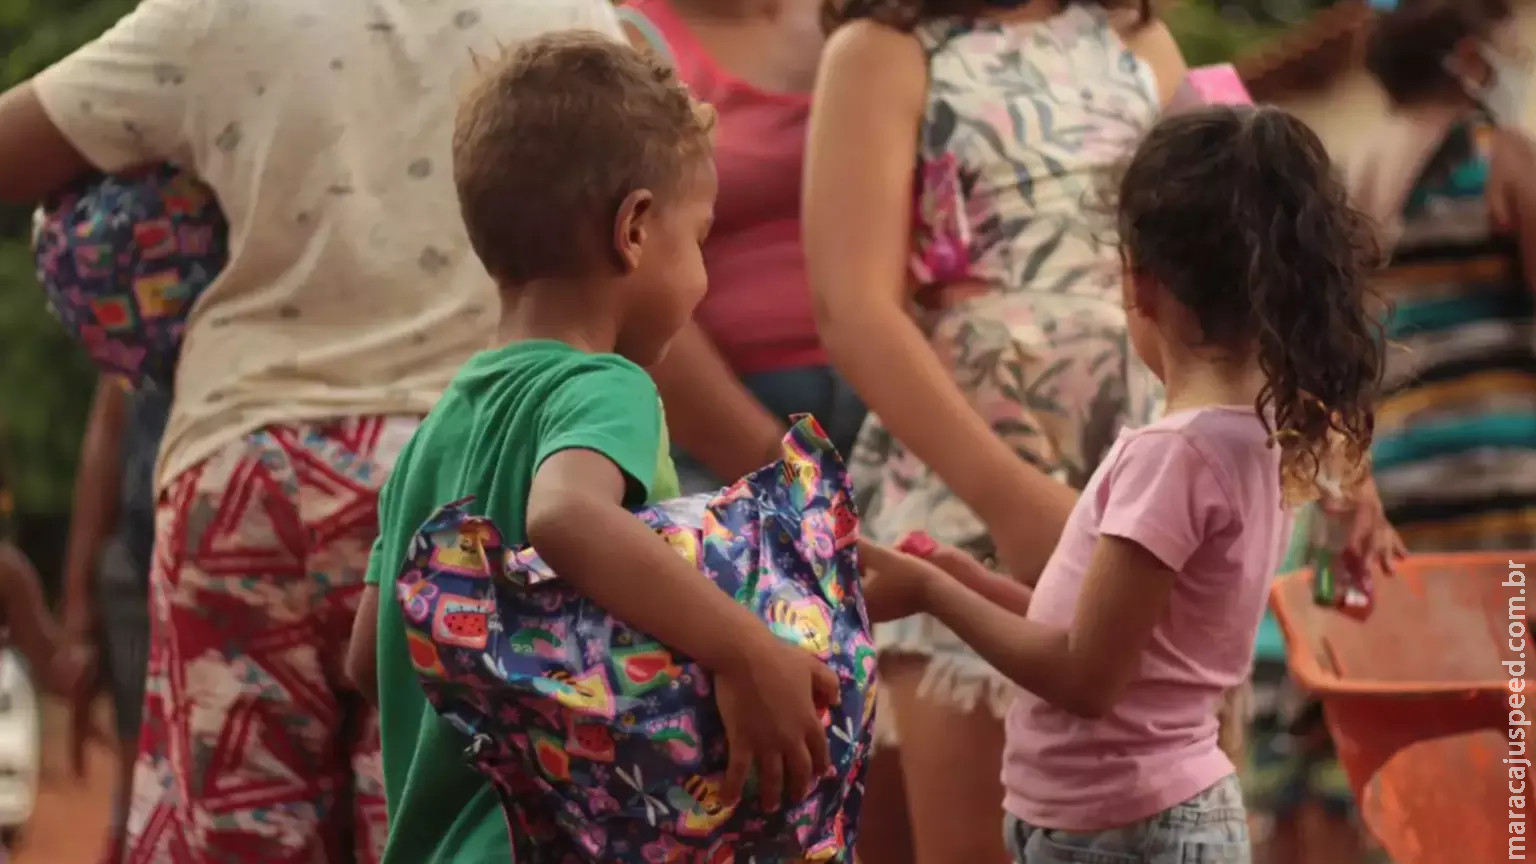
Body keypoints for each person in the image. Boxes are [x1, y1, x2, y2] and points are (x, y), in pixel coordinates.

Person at [0, 1, 628, 860]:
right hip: (463, 475)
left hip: (245, 473)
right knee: (436, 826)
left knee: (239, 834)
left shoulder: (212, 12)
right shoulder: (570, 15)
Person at [345, 31, 839, 863]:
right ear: (637, 231)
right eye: (701, 237)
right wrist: (747, 650)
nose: (704, 274)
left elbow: (369, 659)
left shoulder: (439, 426)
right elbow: (569, 517)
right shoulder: (608, 387)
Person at [857, 104, 1385, 864]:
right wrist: (968, 580)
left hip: (1121, 831)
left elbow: (1083, 678)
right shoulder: (1254, 438)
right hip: (1154, 816)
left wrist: (935, 599)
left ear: (1140, 285)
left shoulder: (1173, 458)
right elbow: (1130, 647)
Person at [803, 1, 1186, 859]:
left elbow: (1234, 270)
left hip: (1149, 494)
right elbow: (853, 307)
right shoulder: (885, 54)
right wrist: (1011, 500)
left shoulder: (1138, 41)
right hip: (968, 495)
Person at [616, 0, 867, 493]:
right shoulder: (629, 41)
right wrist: (778, 468)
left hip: (898, 403)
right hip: (725, 428)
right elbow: (629, 282)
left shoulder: (868, 18)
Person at [1346, 0, 1535, 554]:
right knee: (1510, 641)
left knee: (1449, 640)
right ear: (1470, 57)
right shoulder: (1501, 152)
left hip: (1402, 476)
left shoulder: (1356, 174)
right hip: (1506, 472)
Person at [58, 380, 170, 864]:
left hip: (185, 550)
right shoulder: (142, 326)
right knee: (139, 772)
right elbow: (105, 437)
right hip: (142, 557)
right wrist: (80, 617)